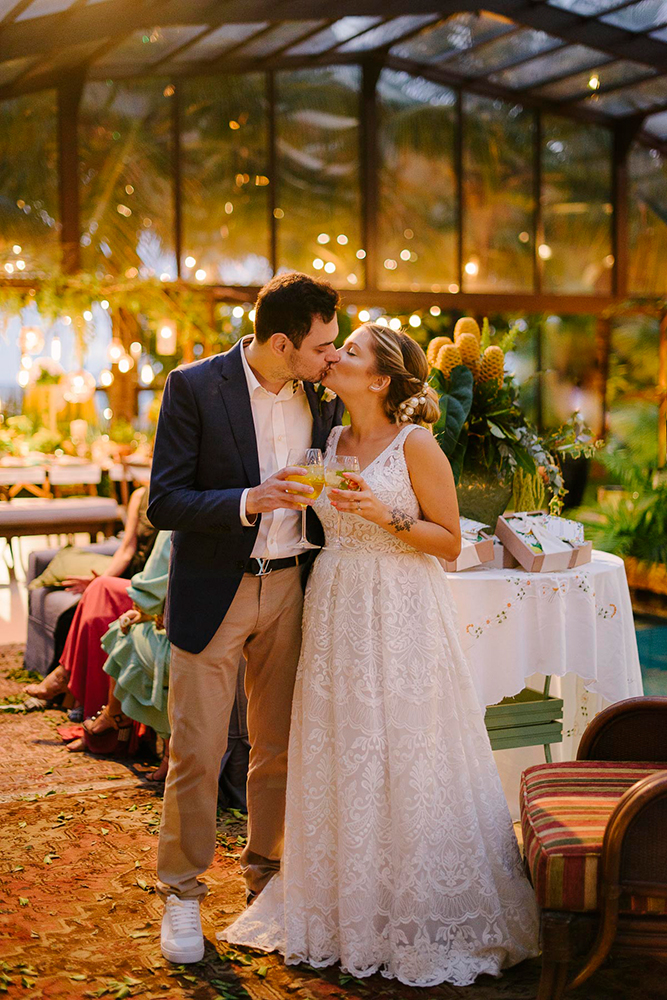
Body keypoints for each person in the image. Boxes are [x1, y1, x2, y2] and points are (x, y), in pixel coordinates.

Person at [219, 324, 539, 988]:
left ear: (380, 381)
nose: (335, 356)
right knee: (345, 748)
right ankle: (345, 906)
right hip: (336, 605)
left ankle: (417, 909)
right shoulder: (330, 438)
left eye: (352, 351)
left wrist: (381, 514)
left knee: (408, 747)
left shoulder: (416, 444)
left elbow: (449, 541)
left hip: (402, 609)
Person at [147, 272, 344, 964]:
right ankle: (181, 892)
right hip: (215, 590)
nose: (333, 356)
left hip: (292, 586)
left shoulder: (322, 395)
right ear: (282, 341)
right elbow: (164, 503)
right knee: (198, 751)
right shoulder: (194, 386)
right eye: (323, 345)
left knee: (278, 749)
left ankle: (266, 879)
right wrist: (248, 500)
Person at [25, 485, 158, 712]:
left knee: (94, 611)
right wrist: (101, 579)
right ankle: (64, 690)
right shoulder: (140, 495)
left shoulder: (181, 498)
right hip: (134, 573)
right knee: (71, 613)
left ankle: (66, 685)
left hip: (152, 582)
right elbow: (127, 550)